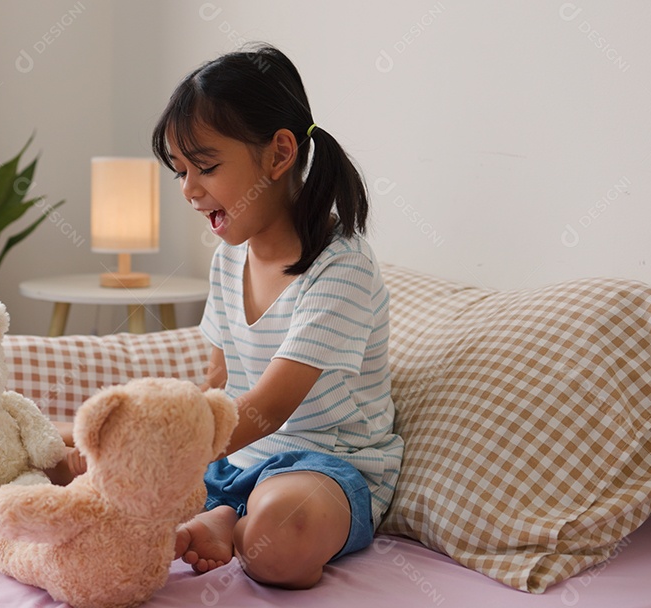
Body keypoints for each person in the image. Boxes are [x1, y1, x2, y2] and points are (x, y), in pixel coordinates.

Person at [52, 43, 403, 590]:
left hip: (324, 469)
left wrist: (163, 455)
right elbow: (219, 382)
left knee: (279, 541)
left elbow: (268, 409)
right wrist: (132, 443)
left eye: (207, 167)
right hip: (234, 463)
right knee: (62, 464)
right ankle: (223, 512)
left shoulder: (342, 267)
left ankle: (230, 521)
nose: (190, 190)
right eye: (181, 173)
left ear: (279, 154)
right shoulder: (228, 259)